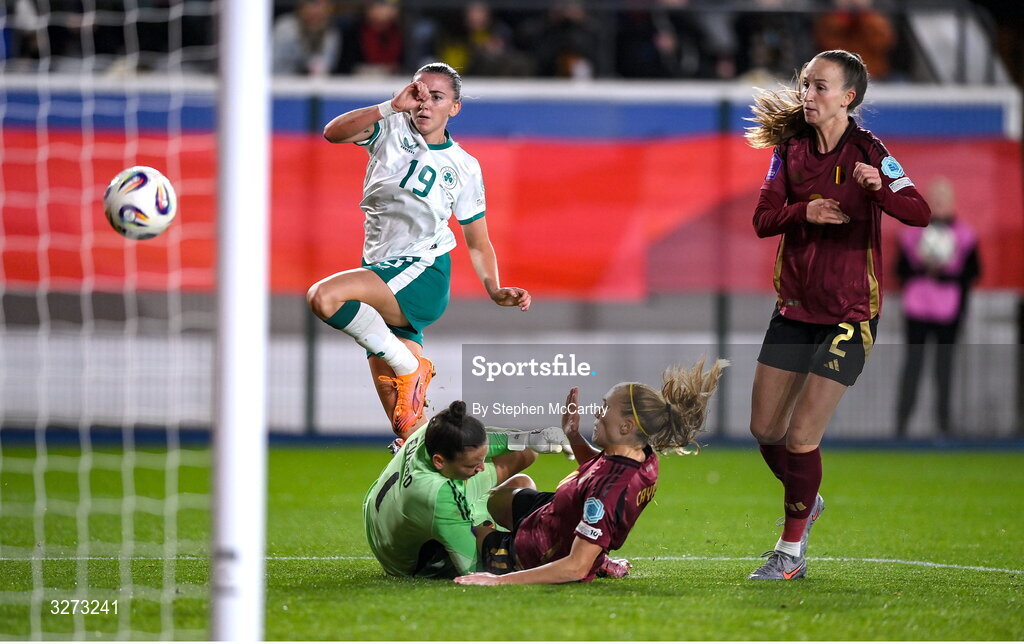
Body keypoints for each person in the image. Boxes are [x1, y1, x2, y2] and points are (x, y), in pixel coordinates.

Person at [744, 49, 930, 580]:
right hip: (795, 311)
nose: (807, 94)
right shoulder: (789, 150)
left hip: (851, 315)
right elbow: (762, 219)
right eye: (805, 84)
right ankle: (808, 498)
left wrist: (880, 189)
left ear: (848, 97)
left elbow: (919, 210)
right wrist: (805, 211)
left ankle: (790, 552)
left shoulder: (872, 152)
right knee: (764, 429)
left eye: (820, 86)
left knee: (802, 436)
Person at [307, 63, 531, 442]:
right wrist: (389, 106)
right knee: (409, 430)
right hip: (381, 271)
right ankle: (503, 450)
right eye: (419, 93)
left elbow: (478, 240)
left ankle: (411, 367)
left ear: (454, 108)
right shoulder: (389, 127)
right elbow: (332, 133)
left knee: (323, 297)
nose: (425, 104)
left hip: (422, 271)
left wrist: (494, 288)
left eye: (437, 97)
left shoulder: (464, 166)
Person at [453, 357, 728, 585]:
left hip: (537, 551)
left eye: (605, 407)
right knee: (504, 493)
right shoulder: (642, 455)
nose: (597, 413)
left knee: (456, 529)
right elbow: (600, 468)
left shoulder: (608, 494)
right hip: (553, 517)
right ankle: (597, 552)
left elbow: (575, 568)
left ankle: (583, 555)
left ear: (626, 426)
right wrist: (573, 435)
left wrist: (496, 581)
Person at [363, 401, 568, 577]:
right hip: (406, 561)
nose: (481, 468)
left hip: (381, 515)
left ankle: (476, 515)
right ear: (439, 461)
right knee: (488, 532)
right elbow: (472, 569)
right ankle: (476, 522)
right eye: (472, 466)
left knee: (524, 473)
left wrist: (532, 438)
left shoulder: (434, 432)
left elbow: (490, 441)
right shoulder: (437, 494)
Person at [895, 177, 980, 438]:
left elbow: (973, 272)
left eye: (943, 200)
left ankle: (944, 426)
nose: (939, 204)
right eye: (934, 199)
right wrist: (923, 266)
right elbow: (900, 270)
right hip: (917, 309)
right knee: (913, 365)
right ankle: (901, 427)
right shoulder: (911, 235)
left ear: (951, 203)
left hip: (949, 311)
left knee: (944, 368)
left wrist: (946, 275)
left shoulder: (965, 235)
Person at [272, 0, 341, 77]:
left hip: (311, 86)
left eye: (319, 15)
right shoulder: (285, 28)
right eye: (311, 6)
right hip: (279, 82)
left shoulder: (331, 34)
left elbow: (323, 68)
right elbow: (274, 66)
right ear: (300, 9)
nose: (314, 11)